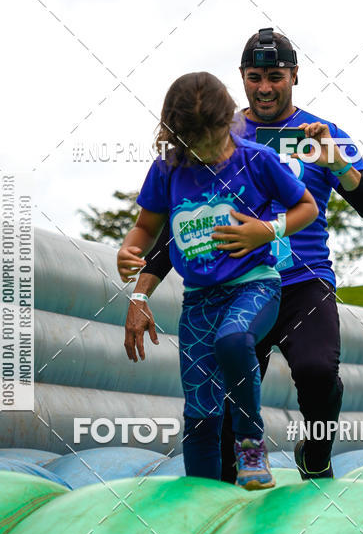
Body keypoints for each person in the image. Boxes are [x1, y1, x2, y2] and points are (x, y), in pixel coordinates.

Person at [124, 28, 363, 483]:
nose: (265, 87)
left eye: (276, 76)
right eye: (255, 76)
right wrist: (141, 292)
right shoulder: (217, 132)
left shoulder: (321, 133)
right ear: (242, 79)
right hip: (234, 284)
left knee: (316, 371)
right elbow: (186, 223)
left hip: (303, 280)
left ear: (294, 76)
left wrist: (338, 164)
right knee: (227, 420)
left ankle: (316, 450)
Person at [117, 71, 318, 489]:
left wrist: (266, 230)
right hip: (199, 301)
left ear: (229, 122)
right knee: (200, 411)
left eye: (210, 140)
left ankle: (250, 444)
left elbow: (307, 207)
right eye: (191, 143)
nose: (203, 151)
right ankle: (204, 503)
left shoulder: (257, 160)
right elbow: (146, 226)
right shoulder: (168, 168)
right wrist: (129, 250)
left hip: (255, 284)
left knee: (233, 339)